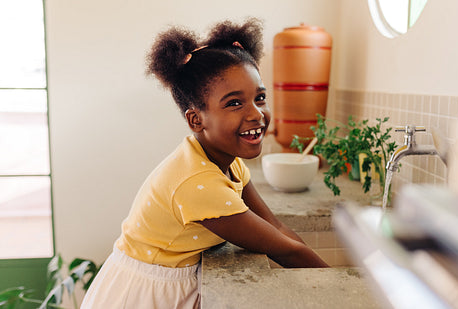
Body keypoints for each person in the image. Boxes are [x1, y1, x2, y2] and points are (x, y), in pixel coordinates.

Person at [81, 18, 328, 309]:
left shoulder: (224, 161)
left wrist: (331, 280)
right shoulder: (197, 184)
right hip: (143, 295)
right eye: (234, 103)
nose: (257, 114)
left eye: (260, 98)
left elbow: (275, 228)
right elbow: (285, 251)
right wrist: (342, 286)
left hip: (170, 285)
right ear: (196, 119)